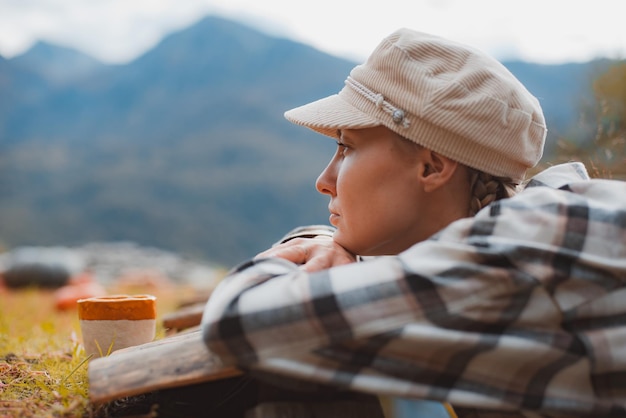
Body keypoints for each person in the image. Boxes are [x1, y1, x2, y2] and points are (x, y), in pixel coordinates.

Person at [201, 28, 626, 417]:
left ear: (431, 167)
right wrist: (322, 242)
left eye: (346, 148)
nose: (324, 181)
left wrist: (307, 244)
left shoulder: (526, 249)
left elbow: (239, 324)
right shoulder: (535, 230)